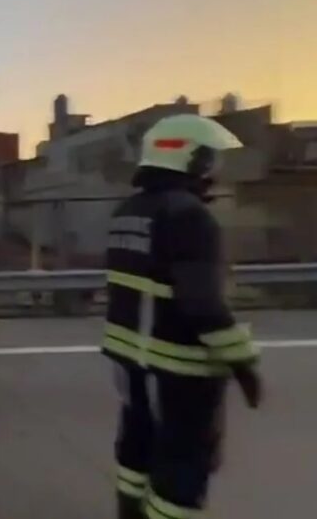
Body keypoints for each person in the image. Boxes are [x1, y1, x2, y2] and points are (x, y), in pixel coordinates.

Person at [102, 115, 263, 519]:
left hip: (129, 358)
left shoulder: (128, 210)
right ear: (194, 159)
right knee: (184, 463)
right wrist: (243, 361)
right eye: (211, 158)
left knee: (137, 444)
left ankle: (129, 512)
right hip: (179, 366)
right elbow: (203, 303)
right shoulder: (189, 216)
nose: (215, 168)